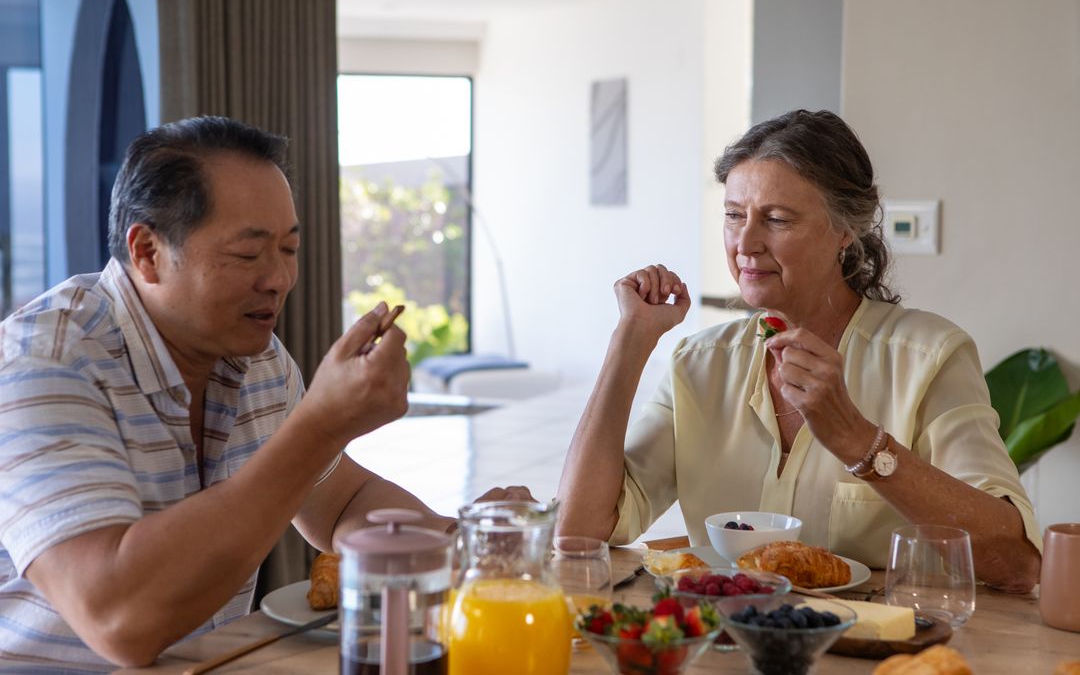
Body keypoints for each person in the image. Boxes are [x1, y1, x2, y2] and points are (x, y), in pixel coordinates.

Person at [0, 116, 531, 670]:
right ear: (148, 252)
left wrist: (468, 541)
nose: (278, 278)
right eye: (249, 254)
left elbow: (341, 501)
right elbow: (119, 619)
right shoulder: (47, 360)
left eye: (289, 249)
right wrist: (322, 423)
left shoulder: (259, 361)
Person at [557, 109, 1041, 593]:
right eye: (733, 215)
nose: (745, 243)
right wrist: (630, 342)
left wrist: (857, 440)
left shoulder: (929, 356)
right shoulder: (699, 363)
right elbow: (579, 533)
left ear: (845, 229)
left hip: (874, 654)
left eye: (777, 219)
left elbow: (1017, 563)